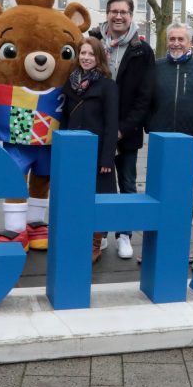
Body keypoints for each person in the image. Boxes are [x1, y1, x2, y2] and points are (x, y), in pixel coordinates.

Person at [89, 0, 154, 260]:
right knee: (99, 186)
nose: (118, 16)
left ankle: (125, 234)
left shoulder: (142, 49)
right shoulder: (92, 42)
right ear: (107, 14)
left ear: (131, 15)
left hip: (126, 132)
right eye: (114, 11)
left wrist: (122, 129)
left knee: (127, 183)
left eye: (123, 12)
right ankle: (99, 235)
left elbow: (144, 97)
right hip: (96, 130)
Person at [61, 37, 119, 263]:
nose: (86, 58)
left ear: (99, 58)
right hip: (73, 152)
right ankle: (76, 239)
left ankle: (96, 244)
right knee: (75, 198)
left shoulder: (107, 86)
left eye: (91, 54)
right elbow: (64, 119)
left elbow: (111, 124)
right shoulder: (70, 83)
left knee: (97, 200)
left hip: (97, 155)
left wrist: (107, 158)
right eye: (82, 53)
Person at [147, 21, 193, 181]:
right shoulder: (154, 67)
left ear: (190, 43)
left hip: (191, 143)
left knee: (184, 193)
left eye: (181, 39)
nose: (176, 43)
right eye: (172, 39)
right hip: (160, 141)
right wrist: (149, 126)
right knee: (157, 192)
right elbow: (145, 101)